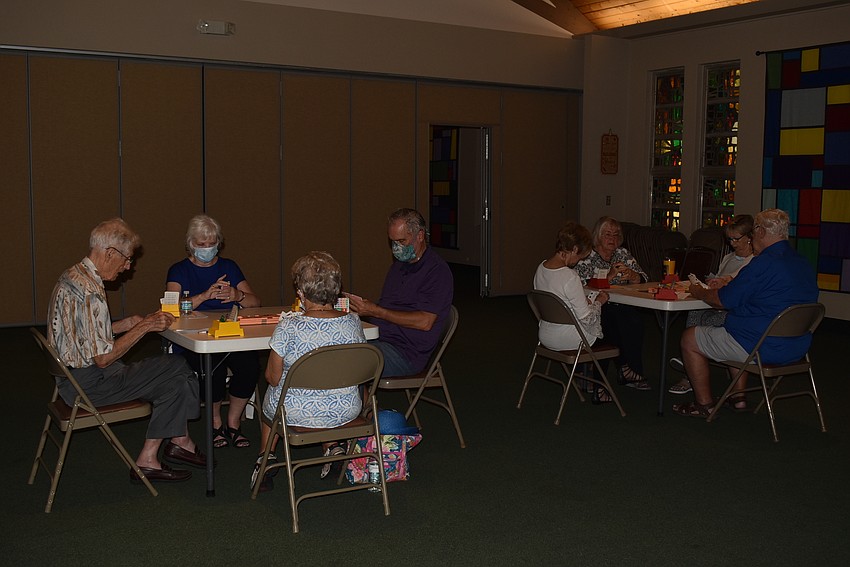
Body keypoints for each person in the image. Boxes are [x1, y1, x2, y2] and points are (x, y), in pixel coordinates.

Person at [47, 218, 208, 483]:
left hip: (68, 377)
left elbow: (82, 334)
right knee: (178, 367)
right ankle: (179, 440)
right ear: (110, 253)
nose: (128, 266)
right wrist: (144, 327)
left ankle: (153, 456)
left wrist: (125, 325)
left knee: (174, 380)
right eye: (126, 259)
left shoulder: (73, 276)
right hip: (89, 384)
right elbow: (103, 358)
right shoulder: (92, 292)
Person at [673, 209, 819, 418]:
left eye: (752, 233)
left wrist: (698, 291)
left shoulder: (762, 264)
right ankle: (738, 396)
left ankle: (704, 404)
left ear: (759, 232)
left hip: (761, 346)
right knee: (734, 326)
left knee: (690, 338)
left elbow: (723, 300)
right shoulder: (803, 263)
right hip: (797, 346)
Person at [253, 251, 367, 491]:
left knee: (271, 396)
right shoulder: (354, 322)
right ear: (337, 290)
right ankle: (333, 446)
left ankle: (265, 459)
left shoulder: (288, 327)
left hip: (295, 413)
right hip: (345, 409)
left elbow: (273, 378)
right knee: (329, 381)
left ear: (301, 293)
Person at [166, 214, 261, 449]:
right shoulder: (178, 271)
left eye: (212, 244)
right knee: (212, 367)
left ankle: (233, 421)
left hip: (228, 335)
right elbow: (171, 310)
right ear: (190, 244)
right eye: (201, 244)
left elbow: (255, 302)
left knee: (250, 365)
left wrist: (236, 296)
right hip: (192, 340)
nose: (207, 249)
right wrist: (204, 296)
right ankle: (215, 422)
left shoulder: (229, 267)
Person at [346, 208, 454, 377]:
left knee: (348, 361)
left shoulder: (437, 271)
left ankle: (361, 402)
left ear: (419, 236)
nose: (396, 248)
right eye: (393, 242)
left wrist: (376, 311)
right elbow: (388, 307)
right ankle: (364, 401)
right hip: (382, 339)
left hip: (406, 353)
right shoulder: (399, 266)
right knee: (335, 349)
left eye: (401, 241)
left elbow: (425, 322)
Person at [668, 214, 755, 398]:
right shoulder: (728, 257)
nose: (732, 243)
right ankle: (690, 363)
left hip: (733, 313)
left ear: (749, 238)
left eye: (736, 239)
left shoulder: (754, 262)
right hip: (716, 305)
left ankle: (689, 360)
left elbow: (739, 290)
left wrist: (723, 283)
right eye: (729, 239)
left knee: (707, 320)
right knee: (696, 310)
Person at [533, 221, 611, 403]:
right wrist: (598, 301)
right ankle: (600, 386)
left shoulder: (541, 267)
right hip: (567, 338)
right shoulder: (569, 277)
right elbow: (587, 318)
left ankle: (588, 379)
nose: (580, 261)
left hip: (545, 334)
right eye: (581, 256)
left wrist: (587, 302)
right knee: (609, 328)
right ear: (574, 249)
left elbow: (558, 301)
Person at [575, 216, 651, 390]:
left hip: (622, 303)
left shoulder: (623, 254)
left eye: (616, 235)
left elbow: (644, 278)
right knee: (616, 321)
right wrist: (608, 277)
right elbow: (581, 283)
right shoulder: (588, 255)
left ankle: (632, 369)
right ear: (598, 236)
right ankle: (625, 369)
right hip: (595, 305)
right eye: (608, 234)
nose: (613, 239)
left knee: (634, 321)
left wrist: (634, 276)